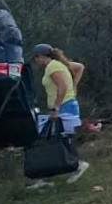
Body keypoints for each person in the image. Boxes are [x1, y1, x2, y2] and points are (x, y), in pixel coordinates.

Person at [30, 43, 91, 187]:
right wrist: (74, 85)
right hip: (67, 105)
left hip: (63, 107)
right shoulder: (59, 64)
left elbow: (62, 86)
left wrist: (56, 107)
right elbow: (79, 67)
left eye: (36, 59)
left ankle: (77, 166)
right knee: (54, 140)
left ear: (40, 56)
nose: (36, 62)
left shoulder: (52, 66)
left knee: (54, 140)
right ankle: (46, 176)